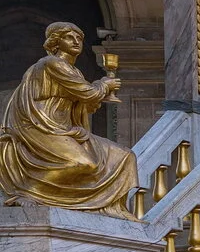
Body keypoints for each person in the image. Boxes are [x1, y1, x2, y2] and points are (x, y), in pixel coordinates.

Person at [0, 23, 137, 212]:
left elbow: (84, 103)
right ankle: (29, 191)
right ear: (56, 41)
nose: (76, 41)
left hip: (66, 129)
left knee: (125, 157)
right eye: (69, 37)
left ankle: (111, 210)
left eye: (79, 38)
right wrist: (104, 85)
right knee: (81, 163)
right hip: (40, 126)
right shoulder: (52, 63)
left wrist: (99, 94)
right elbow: (88, 93)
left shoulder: (75, 71)